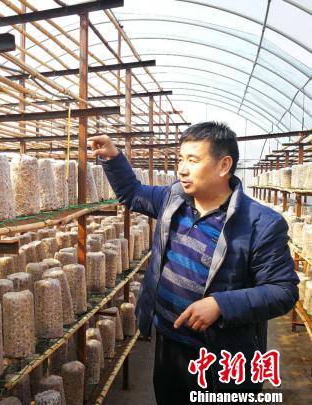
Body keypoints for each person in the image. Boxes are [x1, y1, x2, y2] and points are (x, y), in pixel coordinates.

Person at [89, 122, 299, 404]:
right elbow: (132, 193)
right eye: (181, 159)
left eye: (193, 160)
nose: (182, 169)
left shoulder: (260, 223)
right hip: (170, 344)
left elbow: (283, 290)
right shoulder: (173, 199)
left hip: (221, 357)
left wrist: (221, 305)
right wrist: (113, 158)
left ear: (224, 165)